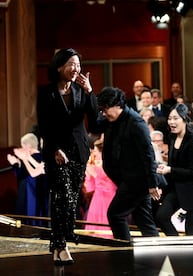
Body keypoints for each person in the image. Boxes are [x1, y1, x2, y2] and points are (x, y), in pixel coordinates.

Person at [37, 48, 99, 265]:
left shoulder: (82, 91)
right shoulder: (46, 93)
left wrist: (91, 92)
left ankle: (57, 245)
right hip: (56, 154)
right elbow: (44, 126)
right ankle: (62, 246)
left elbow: (95, 122)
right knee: (61, 197)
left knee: (71, 200)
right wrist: (55, 149)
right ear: (59, 66)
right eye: (71, 64)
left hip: (78, 152)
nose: (76, 69)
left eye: (78, 65)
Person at [97, 87, 161, 241]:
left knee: (115, 214)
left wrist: (152, 183)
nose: (104, 113)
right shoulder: (111, 120)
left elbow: (148, 156)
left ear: (118, 105)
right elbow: (96, 123)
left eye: (106, 109)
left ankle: (124, 252)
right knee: (144, 221)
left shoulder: (136, 123)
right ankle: (158, 256)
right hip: (126, 178)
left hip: (137, 179)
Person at [155, 103, 193, 236]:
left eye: (175, 118)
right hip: (177, 187)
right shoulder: (172, 137)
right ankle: (176, 245)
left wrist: (170, 170)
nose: (171, 122)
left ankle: (190, 255)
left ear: (185, 119)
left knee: (191, 232)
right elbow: (173, 165)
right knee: (161, 216)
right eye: (170, 118)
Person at [7, 133, 48, 225]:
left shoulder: (42, 159)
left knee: (30, 220)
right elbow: (36, 169)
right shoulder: (41, 158)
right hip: (40, 195)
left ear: (28, 146)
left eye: (22, 146)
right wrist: (23, 159)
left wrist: (15, 163)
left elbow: (22, 174)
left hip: (31, 194)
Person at [84, 137, 117, 236]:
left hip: (108, 196)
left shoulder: (109, 164)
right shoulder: (97, 165)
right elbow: (91, 187)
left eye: (95, 150)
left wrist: (91, 172)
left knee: (106, 218)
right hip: (98, 196)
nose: (94, 152)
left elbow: (104, 177)